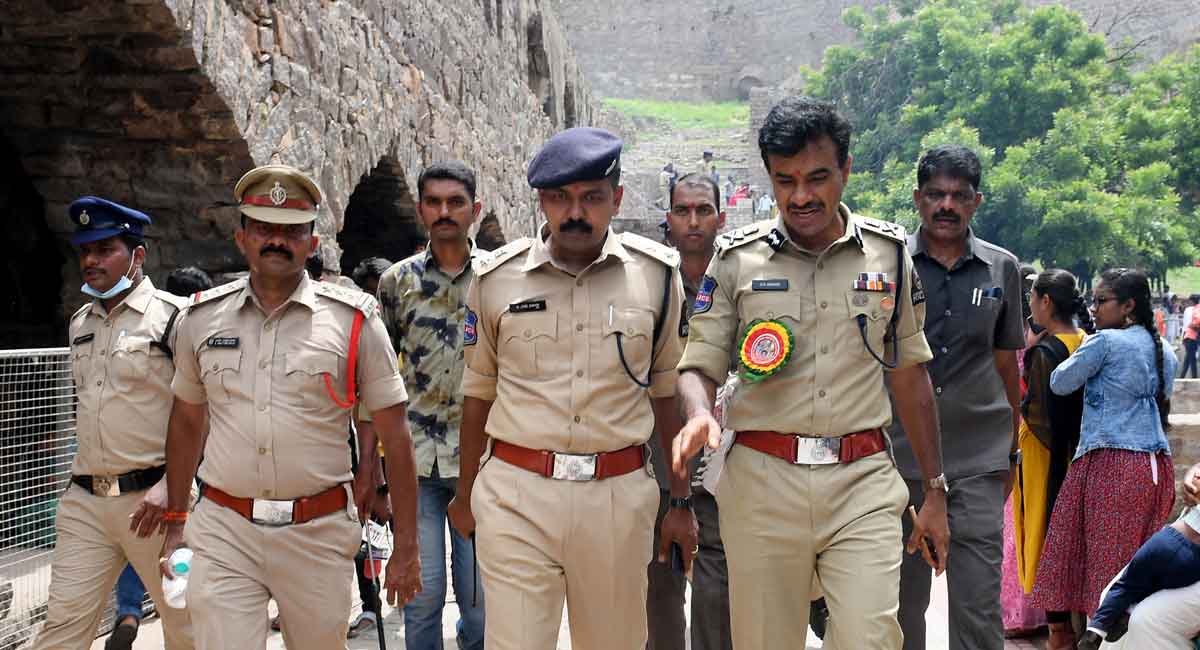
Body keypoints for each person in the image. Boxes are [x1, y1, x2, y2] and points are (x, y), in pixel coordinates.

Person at [673, 96, 950, 649]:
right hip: (762, 483)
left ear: (846, 170)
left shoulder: (889, 254)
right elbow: (697, 363)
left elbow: (911, 377)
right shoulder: (735, 259)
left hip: (862, 481)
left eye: (817, 178)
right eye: (785, 180)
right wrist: (700, 414)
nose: (800, 196)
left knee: (870, 636)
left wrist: (936, 490)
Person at [447, 127, 697, 650]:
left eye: (592, 198)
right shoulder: (497, 280)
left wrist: (680, 499)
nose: (575, 213)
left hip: (617, 497)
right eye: (560, 198)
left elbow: (666, 395)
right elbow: (478, 395)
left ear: (618, 199)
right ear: (541, 201)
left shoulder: (655, 277)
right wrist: (466, 493)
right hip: (517, 492)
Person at [157, 164, 422, 650]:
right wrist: (176, 522)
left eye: (292, 231)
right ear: (241, 238)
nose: (276, 241)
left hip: (316, 534)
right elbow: (187, 421)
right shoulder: (199, 319)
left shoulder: (354, 324)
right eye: (263, 229)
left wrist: (407, 546)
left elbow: (397, 434)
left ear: (313, 243)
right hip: (223, 531)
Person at [33, 197, 194, 650]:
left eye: (105, 249)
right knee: (62, 629)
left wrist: (173, 488)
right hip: (87, 502)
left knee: (189, 626)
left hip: (160, 504)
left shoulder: (173, 319)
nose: (90, 260)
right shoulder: (80, 323)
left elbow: (205, 415)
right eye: (85, 250)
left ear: (137, 256)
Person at [889, 144, 1023, 650]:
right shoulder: (889, 265)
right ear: (919, 199)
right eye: (935, 195)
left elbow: (1008, 364)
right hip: (898, 463)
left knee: (978, 613)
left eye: (959, 196)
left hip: (977, 463)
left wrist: (1010, 451)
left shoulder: (1001, 269)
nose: (946, 205)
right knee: (899, 611)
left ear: (976, 201)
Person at [1030, 268, 1178, 649]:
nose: (1092, 308)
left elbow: (1059, 381)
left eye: (1101, 301)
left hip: (1111, 462)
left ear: (1127, 306)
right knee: (1135, 563)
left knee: (1104, 566)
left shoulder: (1106, 342)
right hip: (1155, 466)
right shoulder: (1164, 349)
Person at [376, 161, 487, 650]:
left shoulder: (498, 279)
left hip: (482, 464)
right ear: (420, 209)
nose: (445, 212)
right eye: (435, 202)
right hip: (414, 464)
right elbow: (375, 383)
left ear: (475, 210)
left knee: (480, 602)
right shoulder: (396, 284)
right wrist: (372, 470)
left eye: (456, 202)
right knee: (420, 598)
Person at [105, 265, 217, 648]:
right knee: (175, 553)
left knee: (137, 541)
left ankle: (130, 610)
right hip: (193, 468)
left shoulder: (154, 328)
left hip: (151, 467)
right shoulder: (191, 334)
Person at [659, 172, 729, 650]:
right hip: (661, 457)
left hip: (727, 458)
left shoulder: (740, 278)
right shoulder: (651, 281)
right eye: (683, 211)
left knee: (717, 596)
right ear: (668, 220)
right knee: (660, 597)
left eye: (703, 210)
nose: (693, 221)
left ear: (721, 218)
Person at [1010, 270, 1091, 646]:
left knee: (1044, 536)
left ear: (1046, 302)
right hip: (1084, 455)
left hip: (1047, 459)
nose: (1029, 305)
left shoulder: (1045, 352)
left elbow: (1040, 417)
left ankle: (1059, 629)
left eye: (1032, 298)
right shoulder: (1089, 341)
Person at [1075, 508, 1200, 649]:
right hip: (1192, 561)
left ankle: (1096, 630)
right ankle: (1128, 610)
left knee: (1126, 586)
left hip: (1168, 540)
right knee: (1161, 584)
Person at [1181, 297, 1199, 378]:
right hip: (1193, 336)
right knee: (1190, 359)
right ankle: (1191, 377)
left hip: (1189, 336)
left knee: (1189, 359)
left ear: (1191, 301)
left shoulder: (1189, 310)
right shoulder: (1196, 309)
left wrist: (1183, 336)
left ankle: (1183, 377)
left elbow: (1186, 324)